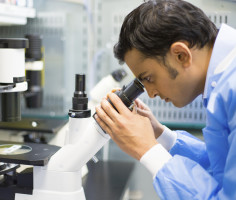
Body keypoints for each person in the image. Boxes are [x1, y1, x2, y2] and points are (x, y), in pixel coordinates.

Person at [94, 0, 236, 199]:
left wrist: (146, 149)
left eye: (149, 78)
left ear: (181, 55)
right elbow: (222, 167)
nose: (151, 93)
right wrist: (159, 135)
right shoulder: (225, 79)